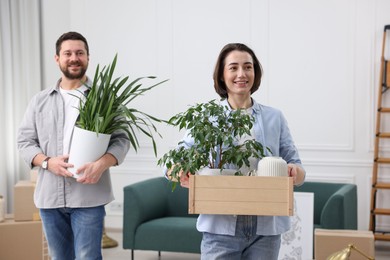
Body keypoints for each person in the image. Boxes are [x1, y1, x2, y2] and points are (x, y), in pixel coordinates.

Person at [172, 43, 305, 259]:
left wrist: (294, 172)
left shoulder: (275, 117)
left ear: (255, 72)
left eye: (248, 67)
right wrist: (178, 170)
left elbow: (298, 168)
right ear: (222, 76)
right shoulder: (208, 118)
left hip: (266, 230)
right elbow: (179, 156)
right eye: (233, 67)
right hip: (219, 228)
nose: (241, 74)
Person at [17, 31, 130, 260]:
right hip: (50, 198)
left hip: (89, 197)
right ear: (57, 58)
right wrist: (48, 162)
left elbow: (122, 140)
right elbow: (24, 142)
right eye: (67, 53)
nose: (74, 58)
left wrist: (100, 165)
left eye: (80, 53)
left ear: (88, 57)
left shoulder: (104, 99)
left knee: (88, 257)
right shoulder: (40, 100)